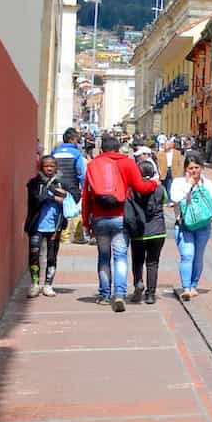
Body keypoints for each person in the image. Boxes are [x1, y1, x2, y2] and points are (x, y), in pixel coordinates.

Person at [82, 134, 159, 311]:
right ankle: (120, 293)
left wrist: (86, 221)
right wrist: (154, 184)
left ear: (101, 150)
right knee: (121, 256)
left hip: (99, 217)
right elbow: (140, 187)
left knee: (103, 257)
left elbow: (86, 196)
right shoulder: (127, 163)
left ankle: (104, 294)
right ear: (118, 148)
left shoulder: (93, 164)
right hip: (120, 215)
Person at [169, 157, 212, 302]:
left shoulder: (207, 183)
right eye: (191, 168)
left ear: (201, 168)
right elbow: (175, 197)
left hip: (203, 225)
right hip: (184, 225)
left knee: (198, 256)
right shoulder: (179, 182)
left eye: (196, 167)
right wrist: (189, 185)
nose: (194, 171)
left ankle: (193, 285)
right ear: (186, 169)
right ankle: (186, 288)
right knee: (187, 255)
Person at [124, 156, 169, 304]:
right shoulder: (160, 188)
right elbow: (165, 201)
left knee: (137, 261)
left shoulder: (132, 190)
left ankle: (138, 282)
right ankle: (150, 294)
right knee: (153, 262)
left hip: (139, 231)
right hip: (158, 231)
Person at [23, 156, 68, 298]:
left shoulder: (61, 183)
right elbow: (37, 198)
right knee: (34, 255)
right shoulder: (34, 183)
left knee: (51, 256)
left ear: (56, 167)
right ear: (41, 167)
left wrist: (65, 194)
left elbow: (72, 197)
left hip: (55, 227)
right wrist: (55, 196)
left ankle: (48, 285)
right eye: (46, 166)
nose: (49, 168)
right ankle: (35, 283)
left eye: (52, 166)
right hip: (37, 226)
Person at [51, 128, 88, 244]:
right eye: (77, 140)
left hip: (57, 185)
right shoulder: (77, 154)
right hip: (72, 185)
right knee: (76, 210)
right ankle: (78, 236)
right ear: (72, 140)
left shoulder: (55, 152)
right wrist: (84, 187)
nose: (78, 143)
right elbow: (81, 173)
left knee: (61, 208)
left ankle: (64, 236)